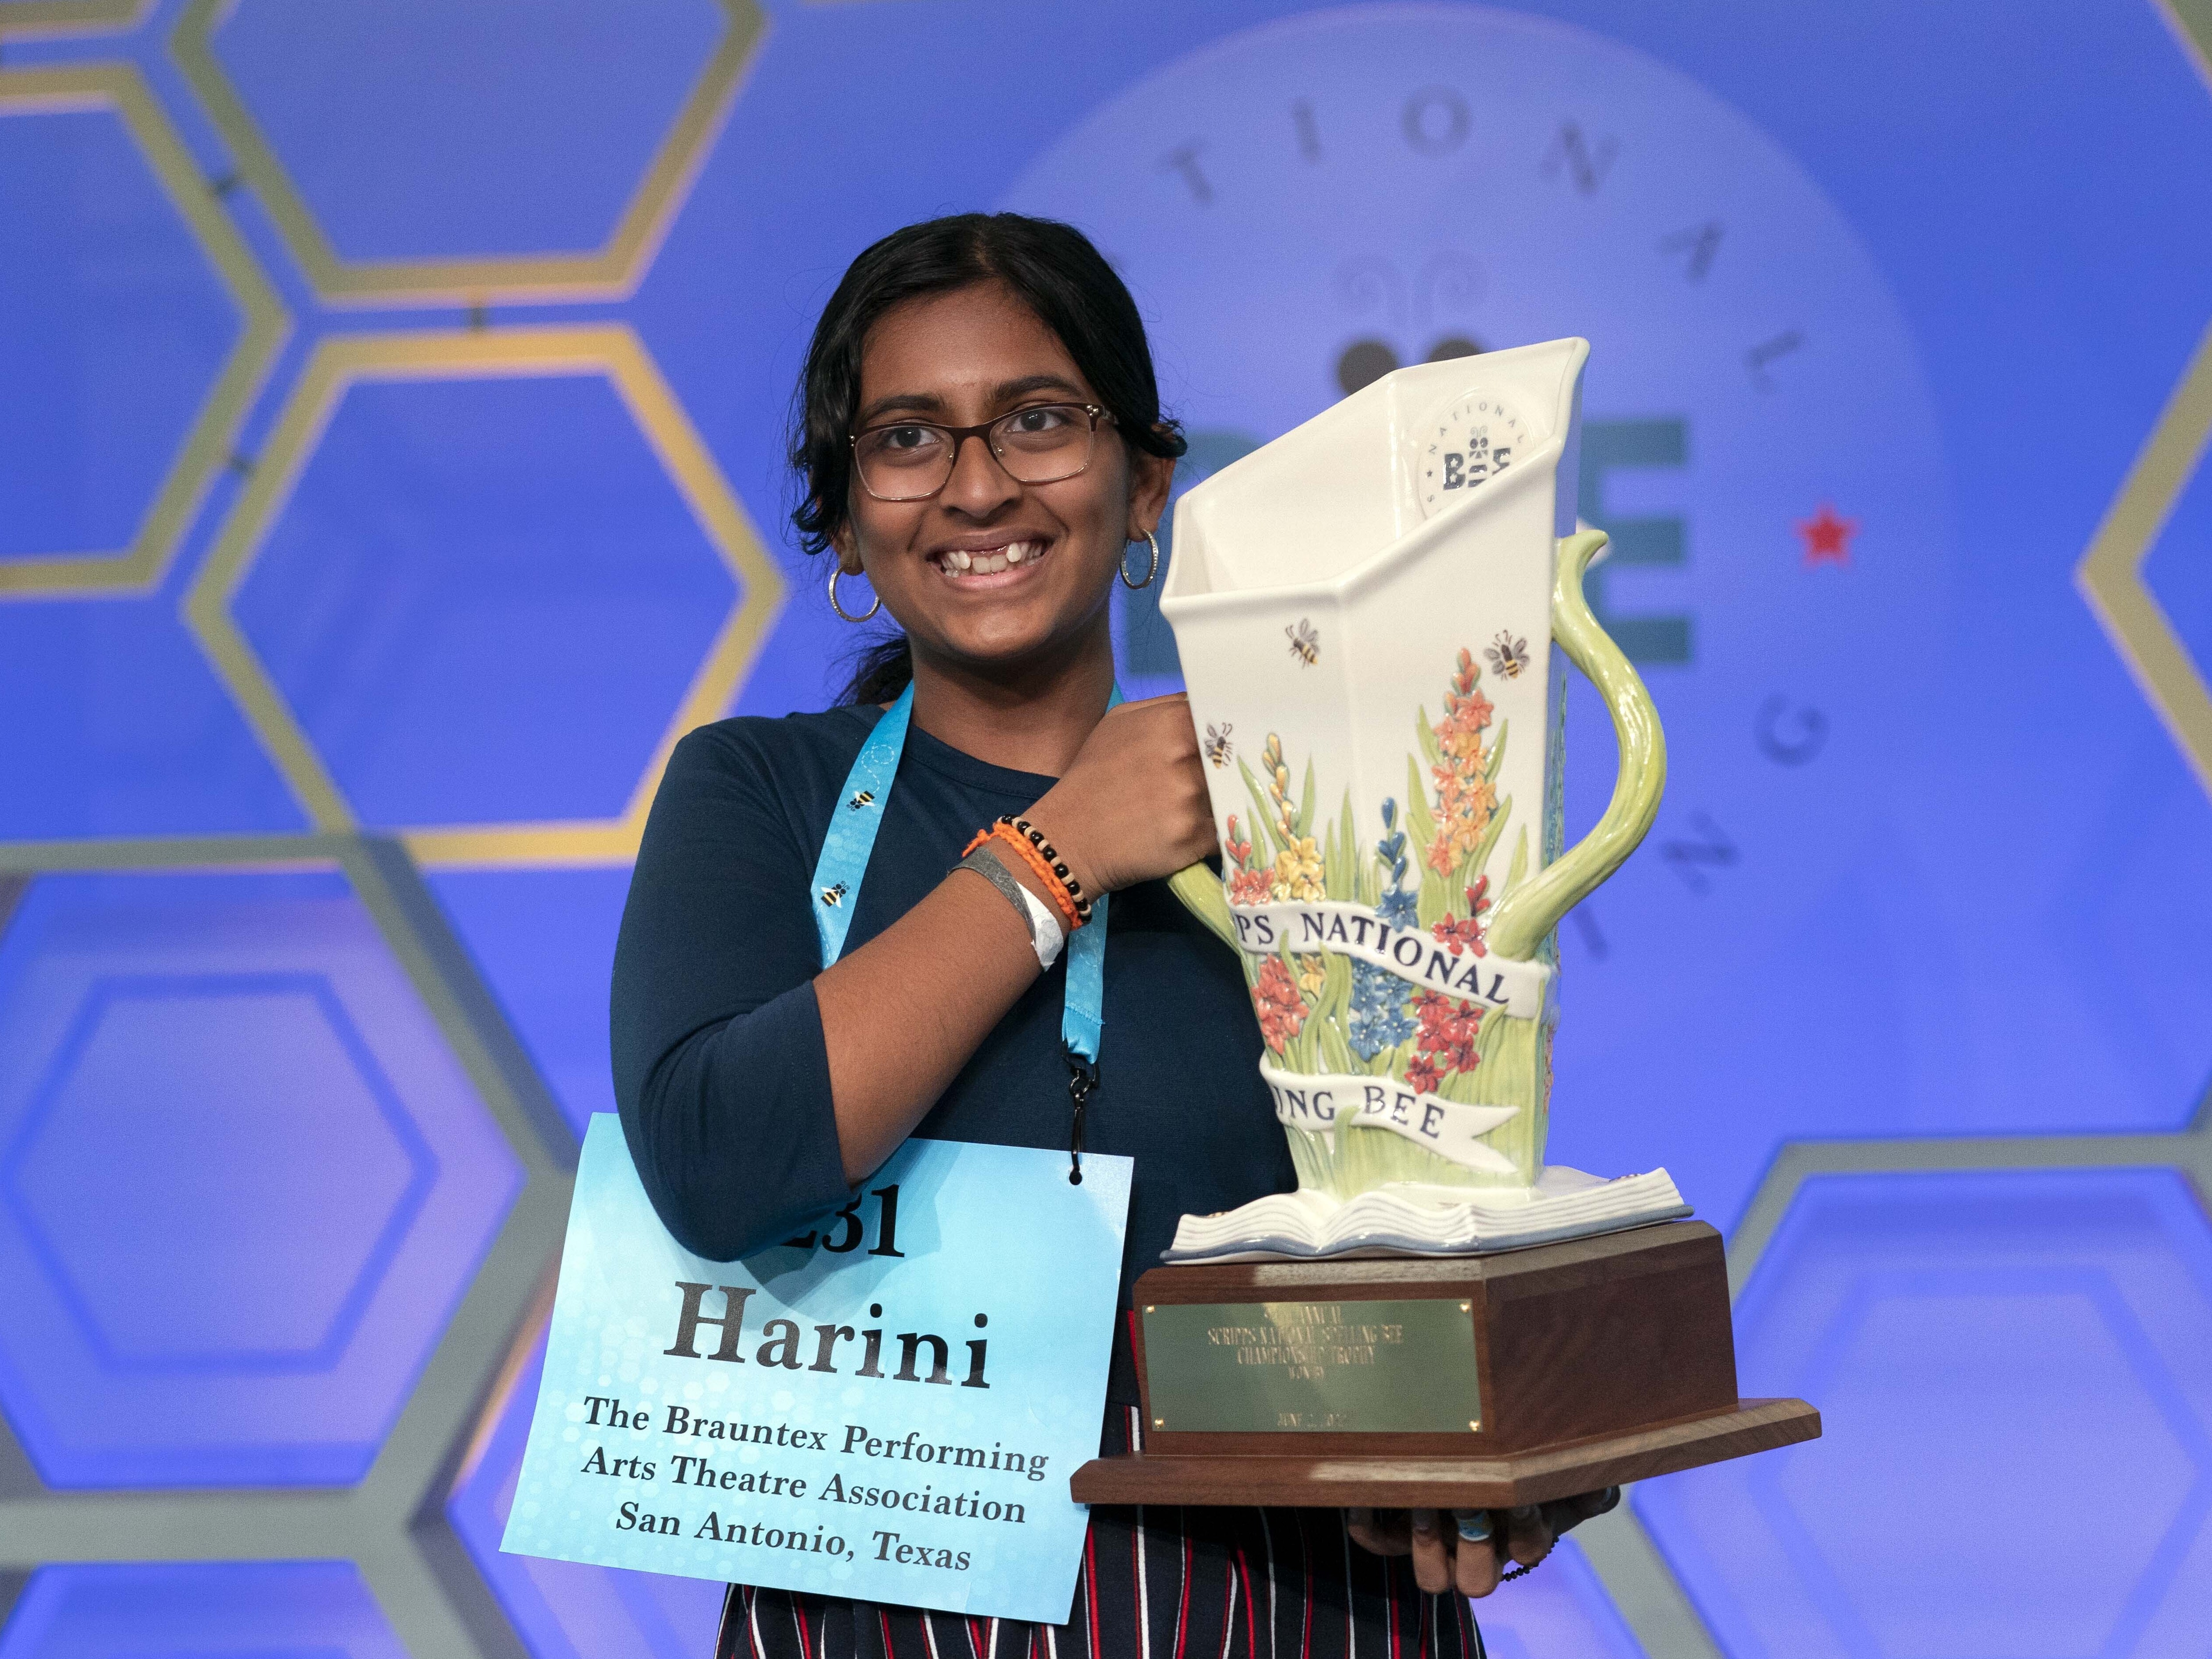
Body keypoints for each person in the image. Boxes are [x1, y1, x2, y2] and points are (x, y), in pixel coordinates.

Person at [613, 212, 1614, 1659]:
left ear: (1149, 487)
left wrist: (1505, 1455)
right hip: (883, 1599)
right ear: (843, 520)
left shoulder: (1311, 797)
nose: (975, 486)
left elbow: (1433, 1212)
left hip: (1290, 1608)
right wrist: (1058, 851)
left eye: (1036, 421)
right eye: (907, 438)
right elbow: (715, 1167)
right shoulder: (758, 791)